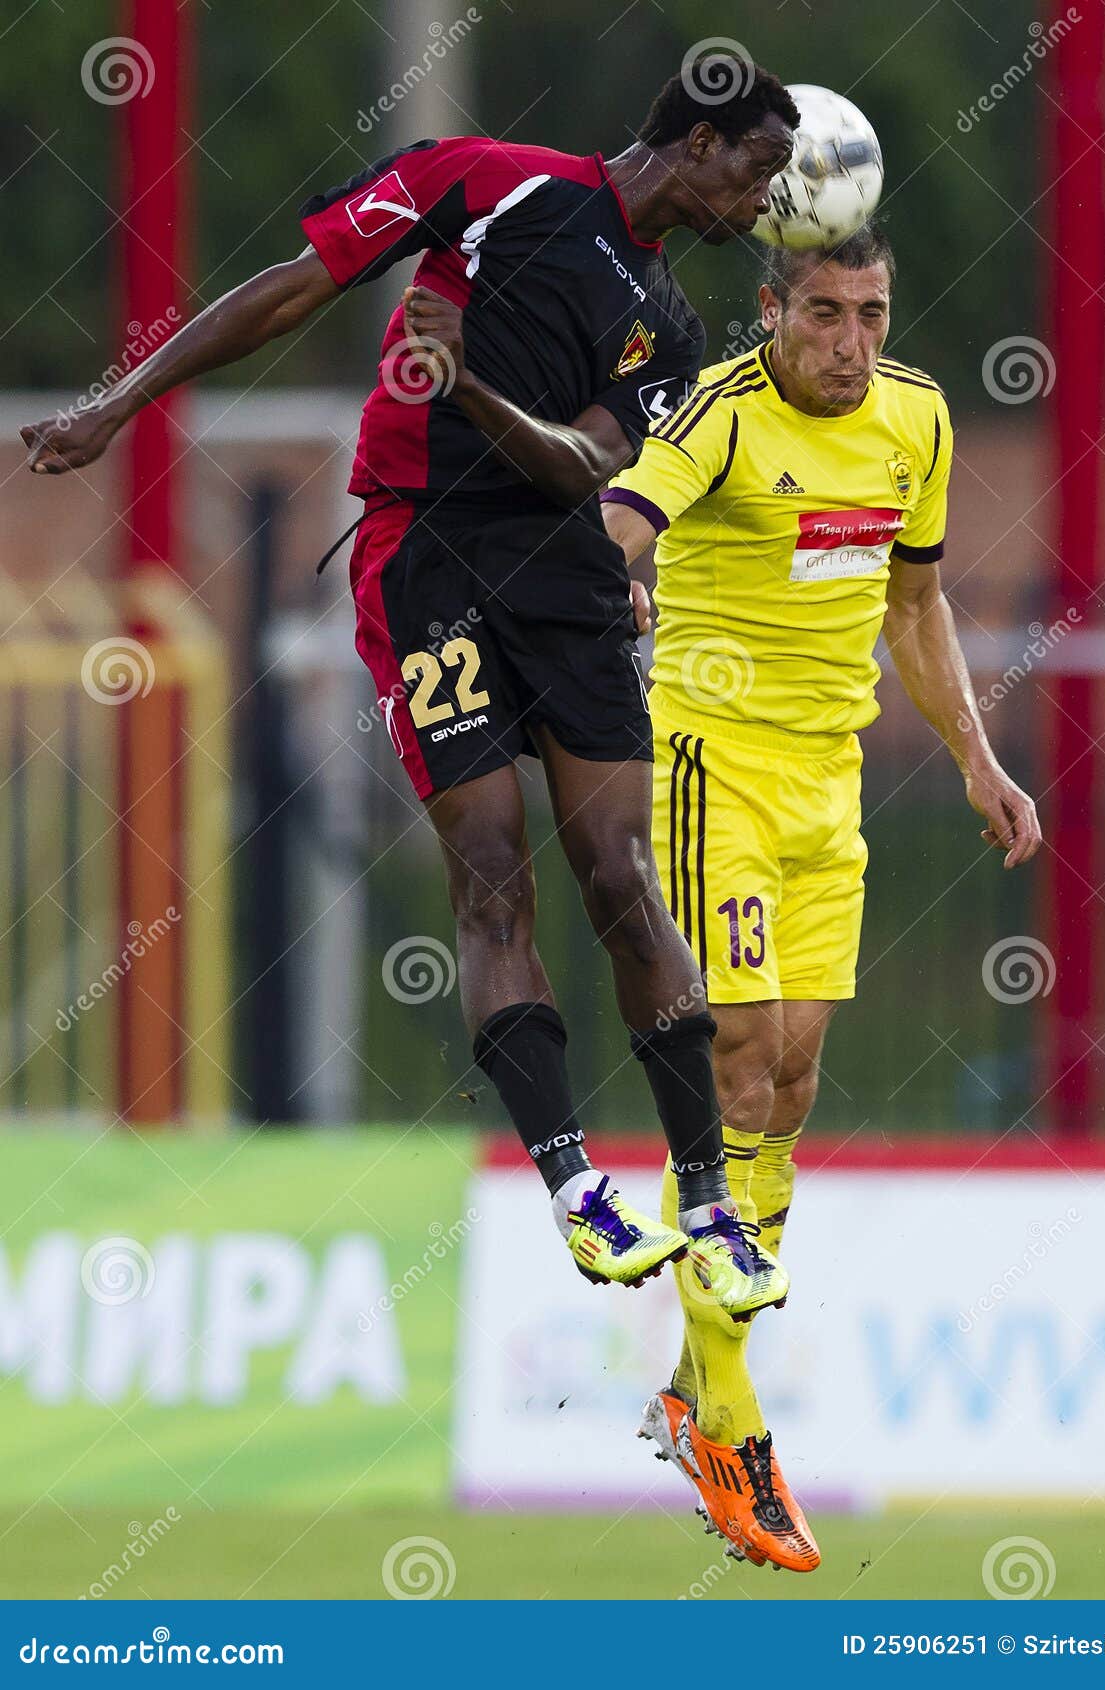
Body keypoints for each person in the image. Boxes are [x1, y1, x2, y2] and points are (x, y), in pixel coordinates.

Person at [21, 61, 802, 1317]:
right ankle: (573, 1192)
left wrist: (470, 388)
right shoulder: (484, 184)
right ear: (696, 142)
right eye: (755, 170)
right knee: (491, 870)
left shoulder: (676, 330)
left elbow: (578, 469)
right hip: (422, 558)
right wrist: (121, 402)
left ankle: (708, 1202)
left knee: (617, 872)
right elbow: (290, 289)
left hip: (569, 579)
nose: (761, 201)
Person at [601, 221, 1042, 1570]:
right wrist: (610, 573)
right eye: (826, 314)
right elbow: (621, 515)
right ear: (771, 311)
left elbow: (913, 606)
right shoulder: (722, 414)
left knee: (792, 1076)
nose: (851, 341)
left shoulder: (913, 418)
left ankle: (689, 1382)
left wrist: (976, 756)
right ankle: (731, 1425)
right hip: (707, 763)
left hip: (824, 781)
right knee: (739, 1059)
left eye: (872, 312)